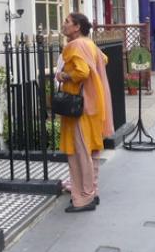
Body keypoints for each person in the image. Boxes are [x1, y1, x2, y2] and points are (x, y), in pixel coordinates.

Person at [56, 13, 113, 213]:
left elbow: (82, 72)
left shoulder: (75, 45)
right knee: (92, 150)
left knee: (79, 152)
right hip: (94, 104)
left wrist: (63, 75)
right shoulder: (89, 44)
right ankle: (91, 192)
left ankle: (83, 198)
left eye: (67, 22)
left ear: (77, 27)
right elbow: (103, 59)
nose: (63, 25)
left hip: (80, 107)